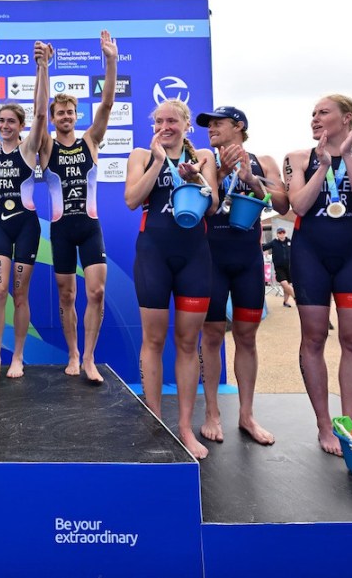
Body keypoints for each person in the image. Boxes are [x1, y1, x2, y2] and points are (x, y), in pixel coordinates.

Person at [283, 95, 352, 455]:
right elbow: (298, 204)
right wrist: (321, 166)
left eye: (323, 113)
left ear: (347, 118)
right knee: (313, 338)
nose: (314, 118)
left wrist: (345, 157)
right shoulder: (297, 158)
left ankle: (348, 425)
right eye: (312, 112)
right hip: (309, 251)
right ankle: (324, 425)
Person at [126, 99, 219, 459]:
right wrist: (159, 163)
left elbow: (211, 206)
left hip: (195, 254)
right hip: (153, 252)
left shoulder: (204, 156)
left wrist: (195, 177)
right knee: (153, 339)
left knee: (187, 342)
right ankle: (154, 421)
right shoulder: (140, 154)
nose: (165, 126)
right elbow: (132, 200)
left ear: (185, 124)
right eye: (159, 121)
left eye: (172, 121)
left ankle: (183, 426)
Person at [195, 106, 289, 445]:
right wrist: (218, 173)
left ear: (239, 127)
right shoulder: (204, 160)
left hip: (247, 259)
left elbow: (282, 205)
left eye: (218, 123)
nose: (211, 129)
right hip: (211, 259)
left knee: (247, 337)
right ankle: (211, 413)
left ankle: (247, 415)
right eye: (209, 125)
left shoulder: (263, 160)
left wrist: (251, 179)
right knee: (212, 336)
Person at [39, 30, 117, 383]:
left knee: (97, 291)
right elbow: (37, 112)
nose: (66, 116)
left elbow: (107, 105)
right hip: (60, 228)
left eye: (70, 111)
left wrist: (111, 61)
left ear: (75, 114)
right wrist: (44, 68)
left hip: (89, 227)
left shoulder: (90, 140)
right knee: (67, 294)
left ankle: (89, 358)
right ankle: (72, 353)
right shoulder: (45, 147)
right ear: (54, 118)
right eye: (60, 113)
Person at [0, 41, 52, 379]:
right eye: (2, 121)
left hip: (26, 225)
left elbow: (41, 113)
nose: (5, 125)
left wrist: (43, 67)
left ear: (20, 126)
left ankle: (18, 357)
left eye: (11, 121)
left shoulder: (27, 150)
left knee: (19, 293)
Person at [262, 228, 294, 307]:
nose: (282, 234)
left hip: (289, 267)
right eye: (280, 233)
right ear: (277, 234)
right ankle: (297, 298)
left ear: (285, 233)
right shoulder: (274, 242)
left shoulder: (290, 241)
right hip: (279, 267)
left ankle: (285, 302)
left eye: (283, 232)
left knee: (287, 286)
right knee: (284, 284)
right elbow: (263, 247)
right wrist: (265, 251)